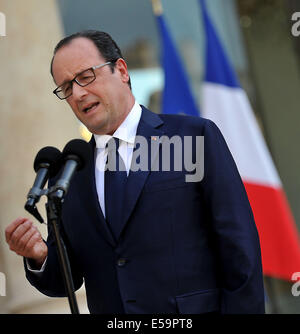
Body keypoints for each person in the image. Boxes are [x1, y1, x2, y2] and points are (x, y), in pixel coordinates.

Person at [5, 30, 265, 314]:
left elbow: (240, 250)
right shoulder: (71, 173)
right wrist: (40, 255)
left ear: (121, 70)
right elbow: (69, 278)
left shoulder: (192, 139)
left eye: (85, 76)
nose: (77, 92)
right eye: (66, 87)